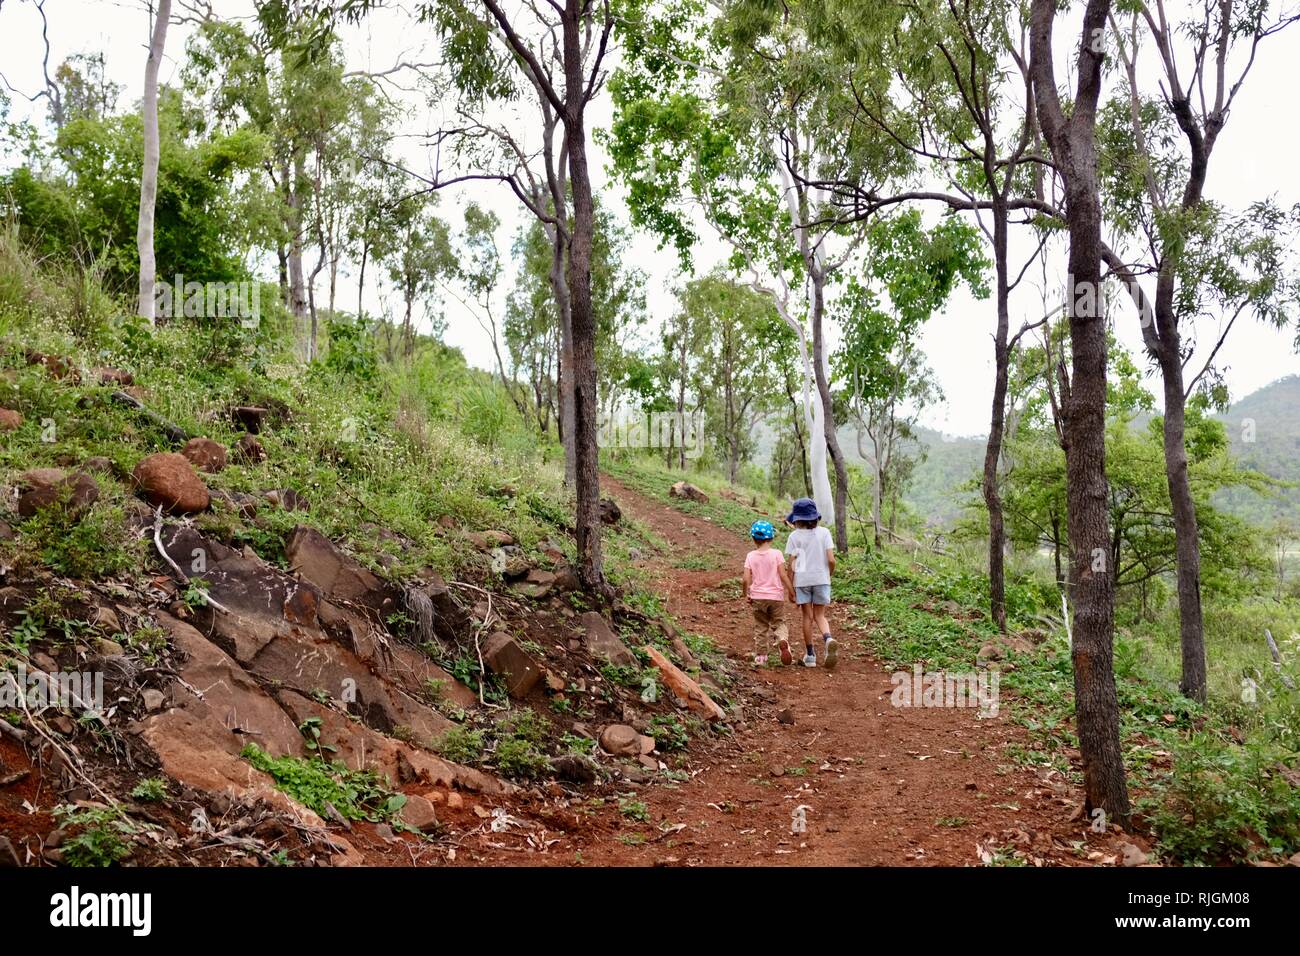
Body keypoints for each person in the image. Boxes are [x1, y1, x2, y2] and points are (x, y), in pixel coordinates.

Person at [783, 498, 838, 668]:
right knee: (820, 615)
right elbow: (831, 560)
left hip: (802, 581)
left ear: (797, 519)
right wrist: (828, 575)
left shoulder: (794, 536)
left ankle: (810, 655)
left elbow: (791, 565)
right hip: (822, 579)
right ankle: (828, 638)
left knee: (807, 616)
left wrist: (790, 589)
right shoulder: (825, 533)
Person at [742, 520, 795, 666]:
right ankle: (782, 640)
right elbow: (783, 576)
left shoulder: (750, 556)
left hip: (757, 597)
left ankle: (761, 656)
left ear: (753, 539)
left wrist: (745, 593)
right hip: (776, 597)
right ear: (771, 538)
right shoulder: (777, 554)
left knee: (761, 626)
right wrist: (792, 591)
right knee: (779, 623)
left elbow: (746, 578)